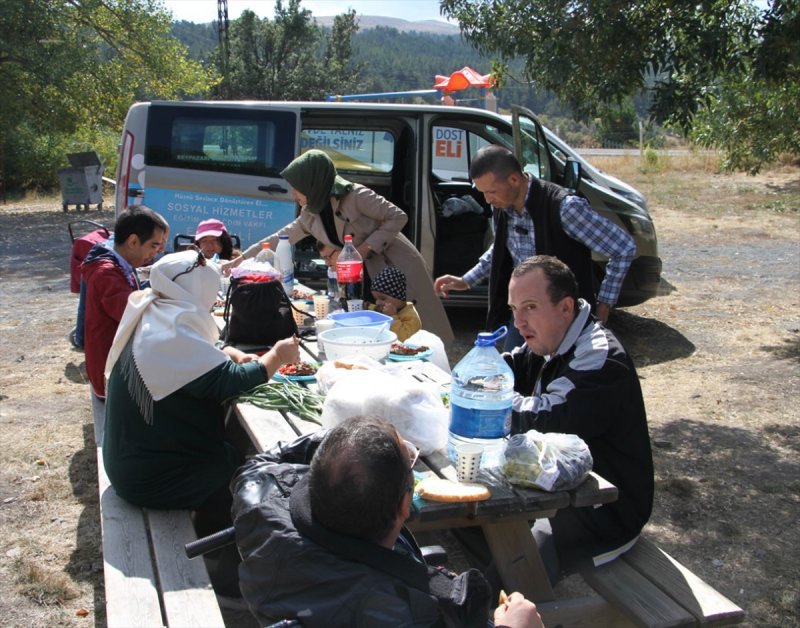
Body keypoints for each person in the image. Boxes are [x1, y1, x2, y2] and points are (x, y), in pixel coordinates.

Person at [102, 248, 300, 597]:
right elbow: (236, 381)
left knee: (235, 453)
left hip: (134, 457)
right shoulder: (169, 335)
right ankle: (227, 576)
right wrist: (277, 355)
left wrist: (229, 352)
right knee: (245, 479)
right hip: (148, 477)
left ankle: (221, 539)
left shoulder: (159, 313)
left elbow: (198, 351)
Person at [230, 415, 542, 627]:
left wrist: (349, 442)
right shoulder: (409, 613)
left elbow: (259, 464)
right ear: (405, 505)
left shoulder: (260, 504)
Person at [504, 255, 654, 579]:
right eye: (514, 309)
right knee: (483, 524)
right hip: (557, 488)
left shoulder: (600, 358)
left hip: (603, 512)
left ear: (565, 307)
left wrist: (485, 400)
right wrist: (478, 373)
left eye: (530, 307)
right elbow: (509, 367)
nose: (518, 322)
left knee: (514, 564)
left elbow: (547, 418)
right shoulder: (553, 337)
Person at [226, 149, 454, 343]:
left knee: (415, 334)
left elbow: (398, 216)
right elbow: (280, 237)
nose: (293, 193)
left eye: (297, 186)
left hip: (395, 268)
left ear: (312, 182)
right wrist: (241, 259)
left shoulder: (356, 195)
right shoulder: (311, 213)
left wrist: (363, 250)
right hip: (361, 276)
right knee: (371, 331)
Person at [434, 145, 636, 348]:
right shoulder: (501, 206)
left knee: (560, 368)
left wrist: (603, 306)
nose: (487, 199)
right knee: (513, 366)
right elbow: (500, 249)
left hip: (563, 321)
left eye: (491, 191)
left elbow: (623, 248)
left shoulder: (565, 208)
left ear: (514, 179)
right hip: (522, 316)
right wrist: (465, 281)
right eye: (483, 192)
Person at [81, 205, 169, 398]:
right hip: (111, 377)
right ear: (133, 241)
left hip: (115, 366)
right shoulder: (106, 274)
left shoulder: (120, 265)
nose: (156, 252)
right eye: (153, 245)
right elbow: (132, 313)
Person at [367, 265, 421, 342]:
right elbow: (375, 309)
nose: (377, 302)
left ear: (399, 297)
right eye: (375, 299)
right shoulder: (386, 307)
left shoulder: (411, 317)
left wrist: (392, 317)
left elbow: (404, 339)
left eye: (382, 298)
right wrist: (366, 305)